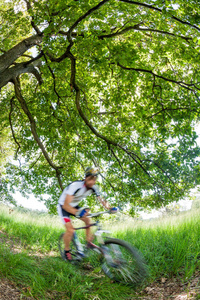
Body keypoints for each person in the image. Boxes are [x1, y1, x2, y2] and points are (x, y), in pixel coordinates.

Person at [57, 167, 114, 261]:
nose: (92, 182)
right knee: (70, 230)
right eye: (90, 178)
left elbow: (102, 200)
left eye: (94, 179)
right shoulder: (76, 185)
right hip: (63, 206)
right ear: (85, 178)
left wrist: (110, 208)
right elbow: (66, 206)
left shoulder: (94, 188)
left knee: (88, 220)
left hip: (74, 205)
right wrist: (78, 212)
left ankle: (88, 243)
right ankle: (66, 251)